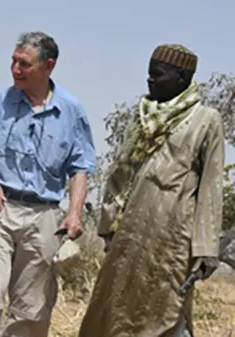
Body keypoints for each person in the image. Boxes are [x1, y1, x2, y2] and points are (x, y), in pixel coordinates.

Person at [78, 44, 223, 337]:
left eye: (157, 75)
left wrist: (205, 250)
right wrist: (108, 224)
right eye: (148, 75)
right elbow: (120, 172)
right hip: (129, 233)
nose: (150, 81)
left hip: (172, 238)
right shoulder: (142, 116)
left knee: (166, 310)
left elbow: (210, 188)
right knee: (114, 310)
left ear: (181, 78)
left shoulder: (206, 120)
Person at [0, 31, 97, 337]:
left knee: (32, 307)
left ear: (48, 66)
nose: (15, 69)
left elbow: (80, 168)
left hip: (45, 216)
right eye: (13, 61)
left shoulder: (72, 111)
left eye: (24, 64)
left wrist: (74, 213)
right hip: (0, 210)